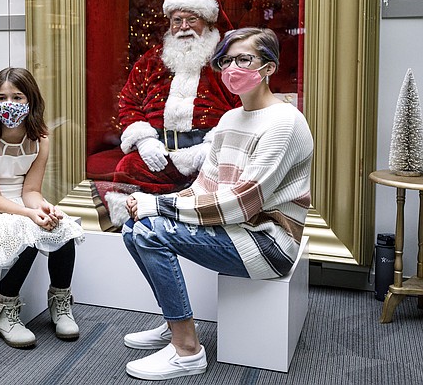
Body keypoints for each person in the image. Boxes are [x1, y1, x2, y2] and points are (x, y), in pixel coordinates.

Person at [121, 27, 313, 380]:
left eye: (244, 59)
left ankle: (187, 350)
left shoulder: (284, 123)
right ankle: (173, 321)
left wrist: (158, 208)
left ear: (269, 67)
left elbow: (242, 204)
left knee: (149, 230)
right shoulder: (229, 119)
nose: (232, 68)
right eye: (226, 60)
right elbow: (203, 186)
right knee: (133, 227)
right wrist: (153, 201)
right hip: (235, 229)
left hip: (267, 242)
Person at [0, 67, 84, 349]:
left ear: (30, 99)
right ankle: (4, 308)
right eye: (2, 97)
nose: (10, 104)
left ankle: (60, 302)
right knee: (28, 235)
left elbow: (30, 190)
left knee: (64, 230)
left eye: (18, 97)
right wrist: (31, 216)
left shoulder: (40, 138)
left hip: (21, 202)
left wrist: (44, 208)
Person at [105, 0, 240, 227]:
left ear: (207, 22)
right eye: (177, 20)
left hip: (208, 155)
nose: (184, 27)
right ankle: (134, 230)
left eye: (192, 19)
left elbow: (244, 109)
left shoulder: (226, 61)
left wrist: (213, 146)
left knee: (223, 185)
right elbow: (129, 101)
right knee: (127, 168)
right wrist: (144, 141)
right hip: (159, 152)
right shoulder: (151, 60)